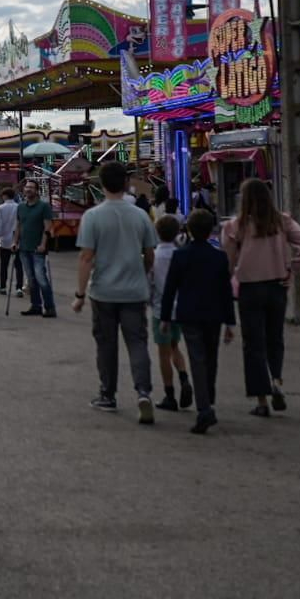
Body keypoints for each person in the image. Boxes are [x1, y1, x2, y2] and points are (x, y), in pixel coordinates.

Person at [70, 160, 159, 424]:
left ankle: (107, 394)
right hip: (135, 291)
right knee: (138, 342)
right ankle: (143, 392)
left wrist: (79, 295)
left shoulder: (93, 216)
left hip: (104, 292)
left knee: (106, 345)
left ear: (101, 185)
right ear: (126, 183)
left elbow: (86, 257)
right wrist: (141, 274)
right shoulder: (140, 215)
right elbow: (150, 254)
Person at [222, 178, 300, 418]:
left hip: (249, 290)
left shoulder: (235, 227)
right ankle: (277, 381)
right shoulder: (282, 221)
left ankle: (262, 400)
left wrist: (227, 282)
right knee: (275, 339)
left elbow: (228, 263)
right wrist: (291, 268)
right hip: (277, 287)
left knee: (253, 344)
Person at [160, 209, 235, 434]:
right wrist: (230, 323)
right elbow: (225, 291)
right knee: (211, 359)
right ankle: (208, 401)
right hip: (214, 315)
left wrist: (165, 317)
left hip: (189, 315)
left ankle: (204, 409)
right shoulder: (219, 257)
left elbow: (170, 289)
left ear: (189, 230)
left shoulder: (180, 255)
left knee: (197, 360)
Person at [148, 215, 194, 413]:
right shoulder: (182, 255)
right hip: (180, 309)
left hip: (160, 310)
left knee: (163, 353)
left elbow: (149, 282)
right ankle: (184, 377)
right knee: (176, 346)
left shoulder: (154, 257)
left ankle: (169, 394)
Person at [16, 180, 56, 317]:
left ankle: (50, 307)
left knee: (41, 278)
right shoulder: (21, 207)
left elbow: (47, 226)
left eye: (32, 187)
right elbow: (19, 225)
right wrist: (15, 242)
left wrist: (43, 244)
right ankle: (36, 305)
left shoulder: (43, 206)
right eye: (27, 187)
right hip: (24, 247)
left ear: (37, 190)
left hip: (37, 248)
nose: (28, 190)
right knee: (31, 279)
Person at [0, 187, 24, 297]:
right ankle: (19, 287)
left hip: (4, 240)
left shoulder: (0, 208)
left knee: (4, 265)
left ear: (4, 196)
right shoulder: (19, 207)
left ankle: (3, 286)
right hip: (17, 239)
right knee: (18, 265)